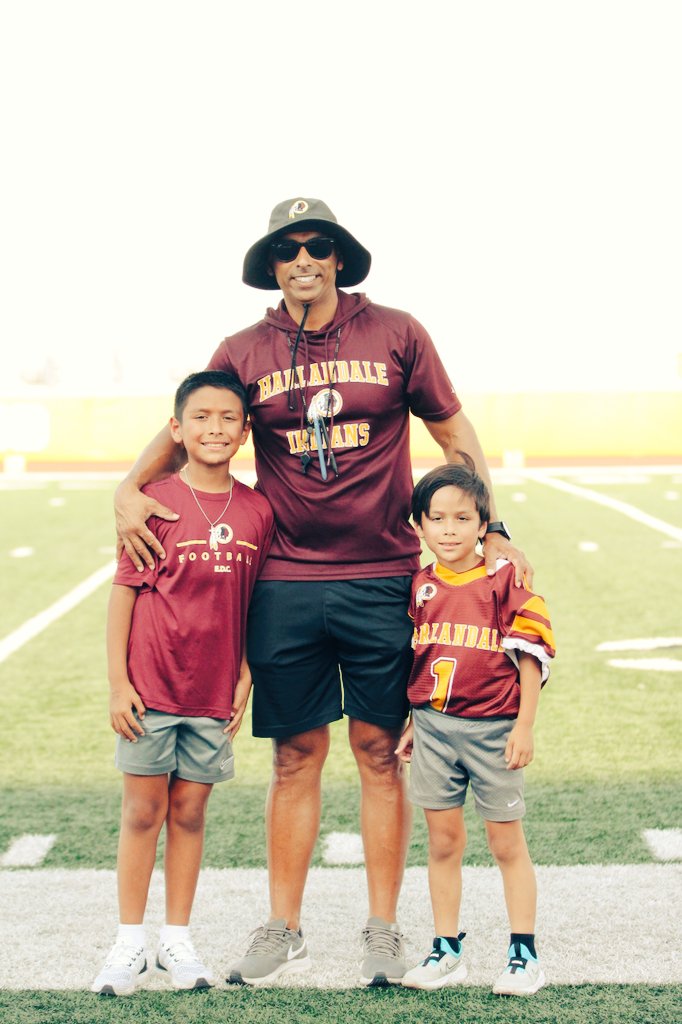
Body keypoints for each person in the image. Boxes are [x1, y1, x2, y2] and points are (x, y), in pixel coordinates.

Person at [114, 197, 531, 987]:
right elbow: (186, 424)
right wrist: (129, 487)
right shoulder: (243, 348)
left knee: (380, 754)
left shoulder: (399, 332)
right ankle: (286, 927)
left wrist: (494, 522)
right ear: (270, 266)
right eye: (287, 249)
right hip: (285, 580)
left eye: (318, 246)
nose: (303, 260)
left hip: (383, 574)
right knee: (294, 758)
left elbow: (454, 432)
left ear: (340, 256)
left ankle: (382, 929)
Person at [92, 371, 274, 997]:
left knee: (191, 812)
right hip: (151, 689)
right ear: (177, 429)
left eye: (228, 418)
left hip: (212, 693)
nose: (215, 428)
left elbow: (255, 601)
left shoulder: (257, 509)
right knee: (143, 812)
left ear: (245, 431)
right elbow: (123, 594)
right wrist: (119, 683)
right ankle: (129, 942)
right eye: (200, 417)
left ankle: (176, 938)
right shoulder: (155, 502)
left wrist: (247, 666)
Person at [395, 457, 555, 996]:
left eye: (462, 519)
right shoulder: (419, 584)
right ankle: (446, 948)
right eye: (436, 519)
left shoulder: (502, 580)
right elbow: (422, 658)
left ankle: (523, 953)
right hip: (435, 729)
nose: (448, 530)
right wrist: (416, 720)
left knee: (506, 842)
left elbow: (530, 656)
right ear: (418, 526)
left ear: (484, 526)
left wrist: (525, 725)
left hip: (493, 728)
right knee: (442, 842)